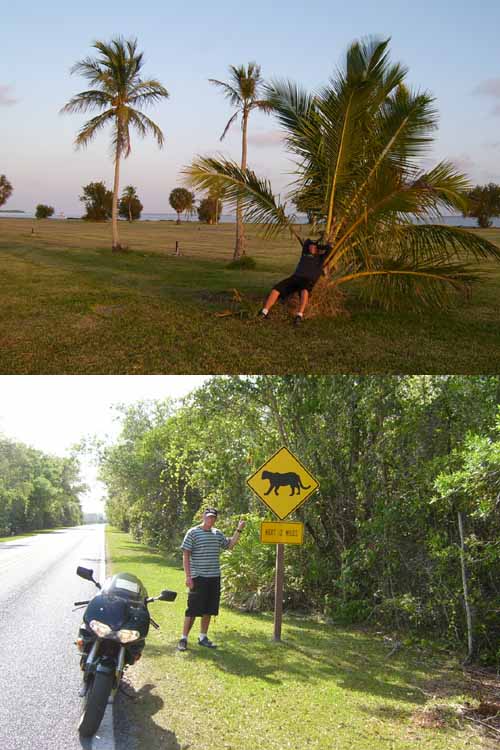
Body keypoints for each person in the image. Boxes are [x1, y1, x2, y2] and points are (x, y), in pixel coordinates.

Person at [177, 507, 245, 651]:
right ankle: (183, 638)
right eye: (208, 517)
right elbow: (186, 555)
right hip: (198, 577)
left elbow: (230, 545)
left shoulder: (217, 534)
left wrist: (239, 529)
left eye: (213, 517)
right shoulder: (193, 532)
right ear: (203, 516)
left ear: (215, 519)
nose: (210, 520)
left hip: (214, 577)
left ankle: (203, 637)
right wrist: (188, 576)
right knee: (192, 610)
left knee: (209, 609)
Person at [258, 238, 332, 324]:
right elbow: (307, 242)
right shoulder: (304, 254)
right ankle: (264, 312)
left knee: (304, 291)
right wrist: (312, 244)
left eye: (313, 247)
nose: (311, 248)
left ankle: (299, 315)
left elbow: (329, 249)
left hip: (306, 280)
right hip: (295, 278)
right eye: (310, 247)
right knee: (276, 289)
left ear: (317, 249)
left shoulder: (320, 258)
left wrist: (319, 246)